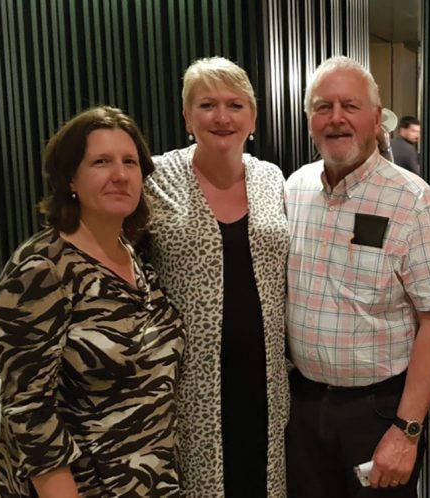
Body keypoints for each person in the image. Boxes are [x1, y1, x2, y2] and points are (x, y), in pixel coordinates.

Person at [285, 56, 430, 498]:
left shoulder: (412, 200)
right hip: (302, 410)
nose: (337, 118)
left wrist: (407, 430)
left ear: (376, 119)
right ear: (309, 120)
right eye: (323, 107)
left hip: (379, 414)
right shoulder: (294, 189)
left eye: (351, 106)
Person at [0, 106, 185, 497]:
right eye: (101, 161)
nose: (120, 174)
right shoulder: (41, 269)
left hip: (151, 481)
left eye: (130, 162)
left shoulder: (133, 255)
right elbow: (28, 409)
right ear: (70, 178)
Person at [144, 56, 289, 497]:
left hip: (266, 379)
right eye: (207, 105)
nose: (222, 117)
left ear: (253, 116)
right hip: (190, 385)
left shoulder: (271, 177)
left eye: (235, 104)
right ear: (187, 116)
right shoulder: (155, 176)